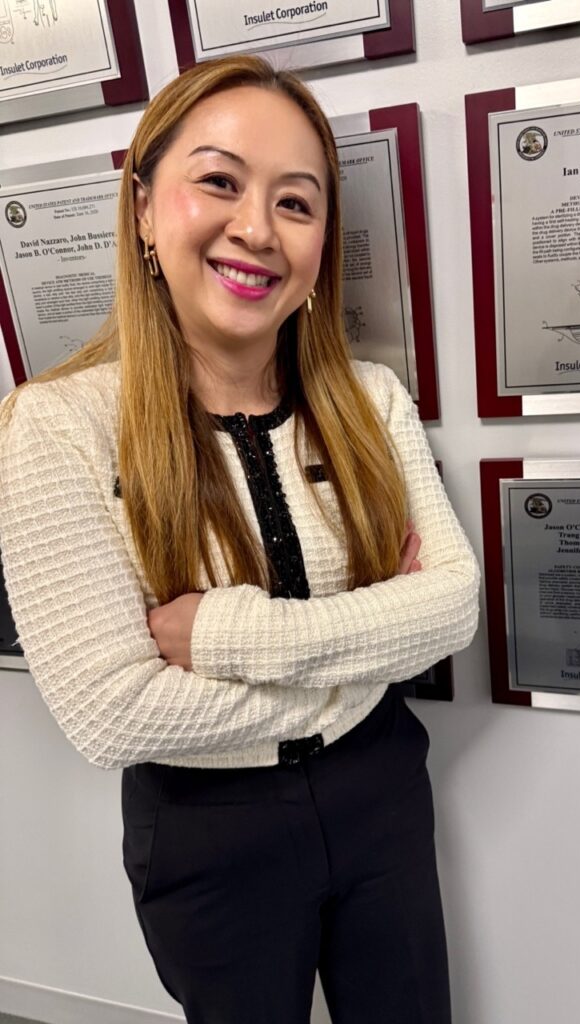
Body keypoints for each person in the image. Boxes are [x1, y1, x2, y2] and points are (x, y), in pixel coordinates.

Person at [0, 56, 479, 1024]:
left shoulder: (370, 403)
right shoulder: (54, 426)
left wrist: (222, 638)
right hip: (206, 831)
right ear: (142, 207)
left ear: (319, 245)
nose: (256, 228)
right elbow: (111, 713)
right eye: (218, 181)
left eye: (295, 203)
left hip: (381, 782)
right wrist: (376, 642)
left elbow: (455, 604)